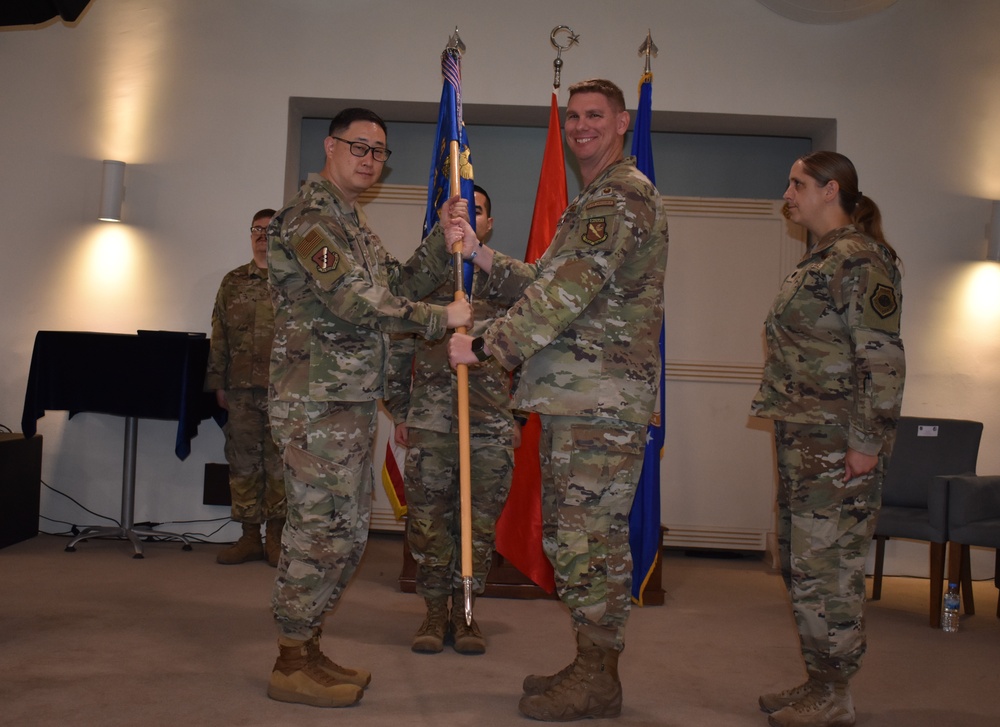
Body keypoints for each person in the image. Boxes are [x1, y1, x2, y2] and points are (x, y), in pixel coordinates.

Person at [448, 79, 668, 721]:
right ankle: (590, 662)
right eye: (572, 116)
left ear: (622, 122)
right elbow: (552, 277)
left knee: (587, 544)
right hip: (583, 399)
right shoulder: (596, 199)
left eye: (594, 115)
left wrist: (485, 344)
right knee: (578, 541)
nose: (580, 126)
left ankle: (600, 678)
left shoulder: (620, 196)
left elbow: (560, 299)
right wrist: (484, 256)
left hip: (597, 403)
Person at [265, 107, 473, 709]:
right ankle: (288, 661)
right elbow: (357, 303)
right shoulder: (308, 219)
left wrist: (443, 238)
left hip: (349, 401)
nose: (369, 160)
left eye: (379, 152)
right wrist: (443, 318)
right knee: (316, 533)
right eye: (359, 147)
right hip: (315, 404)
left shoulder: (353, 225)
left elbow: (399, 284)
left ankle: (308, 647)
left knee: (347, 532)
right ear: (330, 147)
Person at [750, 151, 905, 727]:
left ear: (829, 190)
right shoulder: (821, 258)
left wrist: (867, 443)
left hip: (839, 446)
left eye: (797, 184)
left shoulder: (861, 261)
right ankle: (819, 680)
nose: (787, 194)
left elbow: (883, 361)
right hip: (805, 443)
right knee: (802, 565)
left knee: (829, 570)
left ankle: (836, 694)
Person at [386, 185, 515, 656]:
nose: (467, 220)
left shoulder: (502, 280)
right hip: (434, 423)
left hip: (489, 426)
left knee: (478, 526)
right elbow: (397, 340)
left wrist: (513, 407)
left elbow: (535, 339)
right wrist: (401, 410)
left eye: (475, 212)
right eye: (458, 213)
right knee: (429, 522)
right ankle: (433, 610)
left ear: (489, 222)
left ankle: (466, 613)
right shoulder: (429, 282)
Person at [205, 209, 285, 567]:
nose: (262, 235)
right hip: (239, 390)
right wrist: (217, 383)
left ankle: (278, 540)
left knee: (280, 465)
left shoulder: (293, 282)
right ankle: (249, 537)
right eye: (256, 229)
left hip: (283, 390)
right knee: (242, 463)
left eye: (269, 230)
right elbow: (218, 335)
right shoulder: (233, 281)